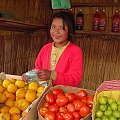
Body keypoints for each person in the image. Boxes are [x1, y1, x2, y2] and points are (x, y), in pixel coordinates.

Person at [22, 11, 83, 87]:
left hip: (63, 96)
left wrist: (52, 75)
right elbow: (37, 70)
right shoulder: (45, 48)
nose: (56, 31)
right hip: (43, 93)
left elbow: (75, 80)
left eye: (61, 28)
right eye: (53, 27)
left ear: (70, 30)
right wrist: (29, 76)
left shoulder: (75, 51)